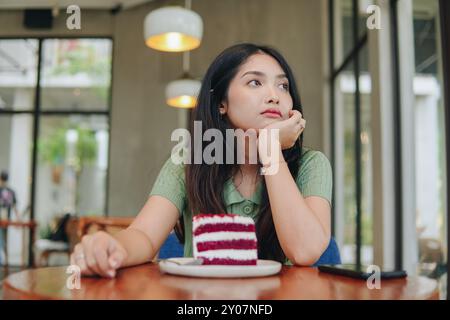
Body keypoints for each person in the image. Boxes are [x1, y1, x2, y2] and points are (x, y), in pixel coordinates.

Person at [70, 43, 333, 278]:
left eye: (283, 85)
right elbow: (144, 236)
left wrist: (270, 149)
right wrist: (113, 247)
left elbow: (304, 251)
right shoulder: (188, 162)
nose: (274, 95)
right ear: (221, 103)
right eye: (255, 82)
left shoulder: (311, 164)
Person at [0, 170, 21, 265]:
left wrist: (18, 220)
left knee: (3, 241)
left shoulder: (10, 191)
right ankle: (5, 261)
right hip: (5, 220)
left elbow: (14, 207)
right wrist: (18, 219)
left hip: (5, 221)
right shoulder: (11, 191)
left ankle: (4, 262)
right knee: (3, 240)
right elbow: (15, 208)